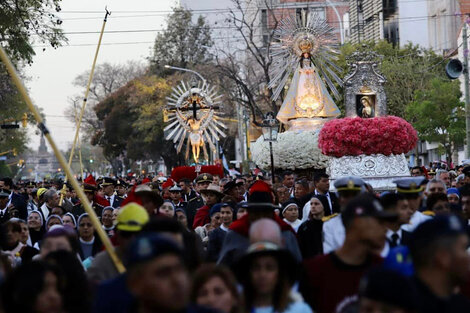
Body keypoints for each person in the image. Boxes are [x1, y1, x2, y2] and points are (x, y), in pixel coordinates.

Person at [301, 194, 395, 313]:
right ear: (359, 224)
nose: (386, 229)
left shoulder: (384, 270)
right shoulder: (313, 271)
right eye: (379, 222)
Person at [218, 181, 302, 265]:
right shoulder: (236, 233)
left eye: (265, 211)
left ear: (271, 212)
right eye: (256, 212)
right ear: (250, 212)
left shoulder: (285, 233)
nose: (260, 216)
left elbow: (297, 265)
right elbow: (223, 266)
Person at [409, 215, 470, 312]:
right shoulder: (398, 304)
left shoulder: (462, 306)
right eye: (463, 248)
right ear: (443, 257)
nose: (468, 257)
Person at [235, 241, 312, 313]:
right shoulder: (235, 310)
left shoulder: (299, 310)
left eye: (269, 268)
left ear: (280, 273)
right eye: (256, 268)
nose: (262, 275)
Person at [88, 203, 149, 283]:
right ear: (118, 235)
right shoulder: (101, 262)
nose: (132, 239)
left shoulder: (156, 262)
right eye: (126, 234)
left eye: (137, 234)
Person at [323, 176, 365, 254]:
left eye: (354, 195)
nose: (350, 200)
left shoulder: (371, 222)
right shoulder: (330, 225)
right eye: (346, 196)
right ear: (339, 199)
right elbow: (329, 254)